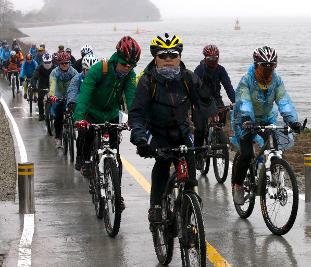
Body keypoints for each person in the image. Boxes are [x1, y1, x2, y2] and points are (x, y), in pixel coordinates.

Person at [129, 33, 217, 223]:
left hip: (182, 131)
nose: (168, 60)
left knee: (190, 169)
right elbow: (137, 114)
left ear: (179, 57)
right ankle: (156, 206)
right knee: (162, 162)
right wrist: (140, 139)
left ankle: (188, 202)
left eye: (173, 55)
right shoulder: (147, 81)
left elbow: (204, 103)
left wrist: (211, 124)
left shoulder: (188, 78)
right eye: (163, 56)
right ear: (155, 58)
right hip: (156, 132)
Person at [231, 46, 302, 205]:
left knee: (275, 147)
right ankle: (238, 185)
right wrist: (247, 120)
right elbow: (244, 103)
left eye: (272, 65)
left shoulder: (276, 80)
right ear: (257, 64)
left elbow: (284, 101)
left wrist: (292, 121)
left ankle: (269, 170)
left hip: (267, 118)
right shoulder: (246, 81)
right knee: (247, 154)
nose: (269, 68)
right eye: (265, 65)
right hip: (245, 120)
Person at [73, 36, 140, 184]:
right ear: (117, 58)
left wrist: (135, 120)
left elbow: (131, 98)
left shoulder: (129, 75)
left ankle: (117, 193)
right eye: (124, 64)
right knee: (86, 137)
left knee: (115, 155)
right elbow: (84, 93)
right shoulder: (99, 69)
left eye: (131, 66)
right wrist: (79, 117)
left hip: (111, 114)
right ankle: (85, 162)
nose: (127, 69)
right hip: (92, 112)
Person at [193, 44, 235, 155]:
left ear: (218, 57)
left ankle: (217, 136)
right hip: (200, 100)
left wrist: (235, 100)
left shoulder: (221, 70)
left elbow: (228, 86)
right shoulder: (199, 70)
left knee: (221, 121)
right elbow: (192, 88)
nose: (213, 61)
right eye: (210, 59)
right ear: (205, 58)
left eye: (215, 58)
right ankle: (198, 155)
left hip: (216, 99)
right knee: (200, 129)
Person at [66, 53, 99, 170]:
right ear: (83, 69)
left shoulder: (101, 78)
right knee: (82, 134)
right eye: (87, 70)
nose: (90, 73)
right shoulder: (77, 78)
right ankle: (80, 158)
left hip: (96, 110)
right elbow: (72, 91)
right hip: (82, 109)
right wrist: (72, 103)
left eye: (93, 70)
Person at [49, 51, 78, 148]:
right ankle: (58, 137)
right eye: (62, 63)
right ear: (59, 63)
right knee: (58, 115)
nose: (65, 65)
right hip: (58, 95)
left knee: (75, 109)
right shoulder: (54, 72)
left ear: (70, 62)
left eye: (67, 63)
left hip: (70, 95)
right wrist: (52, 95)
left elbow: (79, 83)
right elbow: (52, 85)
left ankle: (73, 125)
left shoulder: (73, 72)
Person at [31, 52, 55, 121]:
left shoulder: (55, 67)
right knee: (40, 99)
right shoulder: (39, 68)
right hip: (42, 84)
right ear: (43, 62)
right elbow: (34, 77)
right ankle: (41, 114)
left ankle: (55, 113)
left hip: (52, 84)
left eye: (49, 62)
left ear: (51, 61)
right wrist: (34, 86)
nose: (47, 64)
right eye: (45, 62)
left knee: (55, 99)